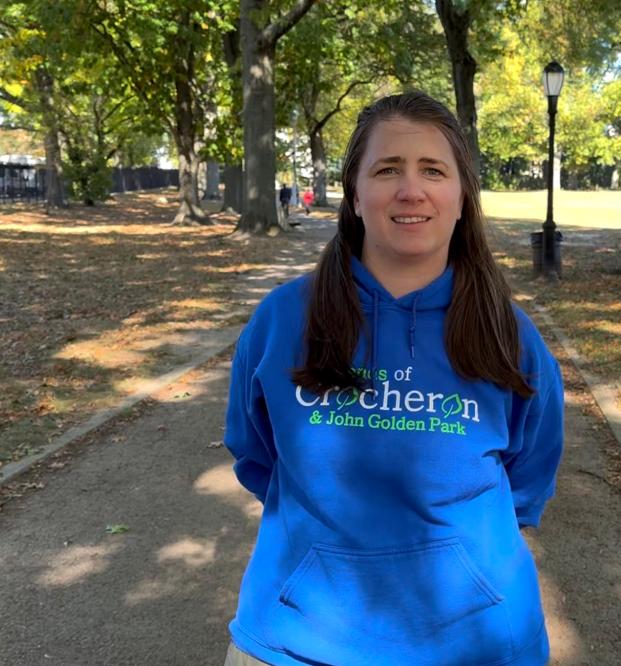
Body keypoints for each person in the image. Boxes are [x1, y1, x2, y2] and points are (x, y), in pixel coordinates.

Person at [223, 91, 564, 666]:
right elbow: (254, 454)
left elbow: (528, 481)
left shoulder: (511, 337)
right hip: (293, 639)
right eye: (387, 170)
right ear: (355, 193)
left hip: (477, 644)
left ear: (461, 197)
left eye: (433, 170)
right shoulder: (283, 320)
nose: (412, 190)